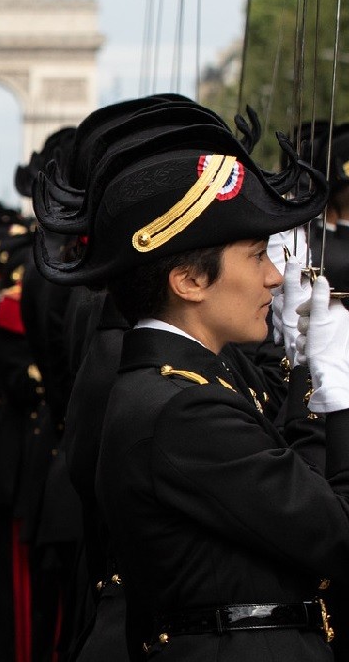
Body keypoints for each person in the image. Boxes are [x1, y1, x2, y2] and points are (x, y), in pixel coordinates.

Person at [43, 100, 349, 660]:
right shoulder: (181, 405)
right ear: (187, 278)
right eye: (256, 254)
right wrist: (335, 395)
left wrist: (305, 370)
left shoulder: (190, 376)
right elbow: (334, 529)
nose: (275, 276)